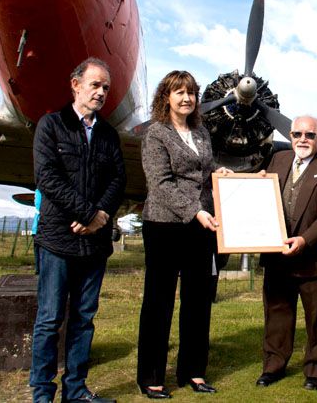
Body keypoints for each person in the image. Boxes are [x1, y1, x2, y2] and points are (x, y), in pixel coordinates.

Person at [30, 58, 126, 403]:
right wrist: (88, 213)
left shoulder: (109, 135)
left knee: (83, 320)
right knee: (50, 318)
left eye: (105, 88)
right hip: (57, 239)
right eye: (95, 85)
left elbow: (118, 180)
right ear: (75, 85)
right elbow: (48, 178)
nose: (100, 92)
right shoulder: (51, 126)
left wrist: (99, 217)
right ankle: (42, 393)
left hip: (95, 245)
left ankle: (75, 390)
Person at [137, 70, 229, 399]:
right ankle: (151, 377)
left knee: (198, 302)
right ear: (166, 97)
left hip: (200, 228)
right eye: (179, 92)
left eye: (191, 92)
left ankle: (193, 371)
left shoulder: (201, 132)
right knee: (159, 302)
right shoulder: (155, 134)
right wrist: (195, 210)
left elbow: (204, 169)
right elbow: (160, 184)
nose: (186, 98)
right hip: (164, 226)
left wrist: (223, 173)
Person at [256, 115, 317, 391]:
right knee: (276, 315)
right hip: (277, 256)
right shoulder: (278, 160)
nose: (302, 140)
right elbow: (262, 194)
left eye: (310, 135)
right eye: (297, 134)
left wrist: (305, 239)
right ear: (291, 136)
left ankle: (316, 371)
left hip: (314, 258)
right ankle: (273, 367)